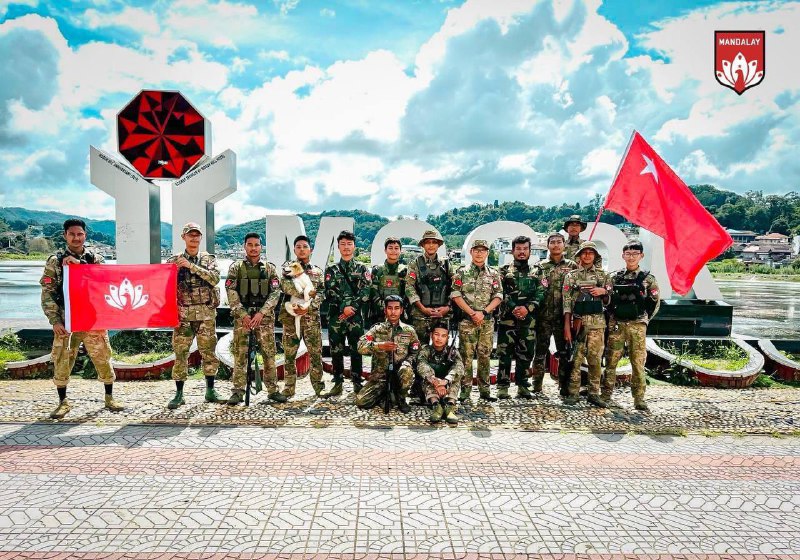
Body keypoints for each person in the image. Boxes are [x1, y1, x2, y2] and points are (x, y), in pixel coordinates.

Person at [40, 218, 123, 419]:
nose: (76, 238)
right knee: (62, 360)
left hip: (93, 319)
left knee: (102, 357)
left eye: (79, 234)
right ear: (65, 236)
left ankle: (109, 398)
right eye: (72, 234)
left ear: (85, 235)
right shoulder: (55, 261)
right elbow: (47, 293)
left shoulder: (96, 259)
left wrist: (80, 266)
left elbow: (104, 283)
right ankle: (63, 402)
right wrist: (55, 321)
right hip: (66, 320)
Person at [224, 232, 286, 405]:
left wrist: (262, 313)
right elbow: (231, 291)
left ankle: (273, 390)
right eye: (250, 244)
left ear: (261, 247)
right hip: (242, 319)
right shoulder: (236, 268)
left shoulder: (270, 268)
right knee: (240, 354)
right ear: (244, 246)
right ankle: (237, 391)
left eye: (257, 245)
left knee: (269, 354)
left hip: (264, 319)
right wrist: (242, 314)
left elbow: (275, 293)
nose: (253, 248)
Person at [166, 222, 221, 409]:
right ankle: (179, 393)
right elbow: (161, 284)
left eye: (197, 235)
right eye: (191, 235)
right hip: (183, 315)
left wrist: (191, 266)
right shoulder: (174, 261)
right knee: (181, 354)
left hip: (205, 313)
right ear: (184, 237)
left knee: (209, 353)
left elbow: (214, 278)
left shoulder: (209, 259)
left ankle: (210, 391)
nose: (194, 238)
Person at [603, 239, 661, 411]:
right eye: (628, 253)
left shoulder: (648, 279)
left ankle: (639, 399)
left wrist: (644, 319)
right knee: (611, 361)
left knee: (638, 363)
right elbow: (607, 300)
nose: (631, 257)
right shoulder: (613, 277)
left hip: (637, 325)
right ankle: (606, 394)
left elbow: (655, 302)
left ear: (641, 255)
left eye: (635, 253)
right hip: (617, 324)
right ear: (623, 255)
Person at [451, 239, 503, 402]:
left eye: (483, 250)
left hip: (486, 322)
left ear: (487, 253)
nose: (479, 253)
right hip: (467, 321)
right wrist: (472, 313)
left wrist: (484, 312)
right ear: (471, 252)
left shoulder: (493, 274)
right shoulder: (461, 272)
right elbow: (455, 294)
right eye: (476, 250)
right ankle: (465, 390)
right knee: (465, 357)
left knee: (485, 355)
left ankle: (485, 390)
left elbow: (498, 295)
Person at [562, 241, 613, 407]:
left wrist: (603, 291)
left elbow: (609, 300)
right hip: (578, 324)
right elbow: (567, 303)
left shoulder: (603, 276)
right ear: (579, 255)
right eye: (584, 252)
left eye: (591, 252)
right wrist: (567, 326)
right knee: (575, 360)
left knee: (595, 360)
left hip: (597, 325)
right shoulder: (571, 276)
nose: (587, 255)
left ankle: (593, 393)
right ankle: (573, 393)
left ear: (595, 256)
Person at [323, 230, 371, 398]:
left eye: (349, 244)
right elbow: (329, 292)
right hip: (336, 316)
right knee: (335, 349)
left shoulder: (362, 268)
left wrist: (353, 307)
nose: (346, 247)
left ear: (354, 246)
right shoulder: (331, 269)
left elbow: (366, 291)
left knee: (356, 349)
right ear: (338, 247)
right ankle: (337, 382)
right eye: (342, 244)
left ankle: (357, 381)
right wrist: (344, 306)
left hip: (355, 317)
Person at [496, 236, 545, 399]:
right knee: (504, 354)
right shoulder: (503, 270)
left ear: (530, 251)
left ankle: (523, 386)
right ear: (512, 251)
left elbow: (541, 291)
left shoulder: (537, 271)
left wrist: (527, 308)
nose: (522, 252)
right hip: (507, 319)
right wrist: (513, 307)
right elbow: (500, 292)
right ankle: (502, 387)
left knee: (526, 353)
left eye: (525, 249)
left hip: (528, 320)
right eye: (518, 249)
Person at [279, 235, 326, 397]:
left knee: (315, 354)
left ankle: (319, 387)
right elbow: (285, 285)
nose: (301, 249)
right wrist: (304, 295)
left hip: (311, 319)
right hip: (291, 318)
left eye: (305, 246)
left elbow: (321, 293)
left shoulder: (317, 271)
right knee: (289, 355)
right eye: (298, 247)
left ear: (310, 250)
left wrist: (308, 306)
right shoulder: (288, 267)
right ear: (294, 250)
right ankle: (289, 388)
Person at [531, 233, 578, 397]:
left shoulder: (572, 266)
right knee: (540, 352)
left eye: (559, 242)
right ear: (547, 245)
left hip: (564, 317)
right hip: (543, 316)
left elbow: (576, 290)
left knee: (564, 352)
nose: (556, 245)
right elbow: (534, 290)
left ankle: (564, 386)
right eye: (552, 242)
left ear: (564, 245)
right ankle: (536, 386)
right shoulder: (540, 266)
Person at [355, 295, 420, 411]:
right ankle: (384, 395)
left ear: (401, 310)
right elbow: (360, 346)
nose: (393, 312)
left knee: (406, 371)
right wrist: (379, 345)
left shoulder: (409, 331)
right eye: (390, 308)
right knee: (362, 401)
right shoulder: (377, 329)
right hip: (380, 375)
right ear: (385, 310)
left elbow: (415, 351)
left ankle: (401, 397)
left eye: (396, 308)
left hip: (400, 375)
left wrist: (407, 362)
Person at [405, 229, 451, 344]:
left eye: (434, 242)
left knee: (441, 348)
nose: (431, 245)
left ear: (438, 245)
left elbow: (454, 288)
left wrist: (447, 308)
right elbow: (409, 287)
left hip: (442, 314)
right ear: (423, 245)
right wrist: (422, 308)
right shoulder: (415, 263)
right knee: (419, 348)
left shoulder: (445, 264)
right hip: (421, 315)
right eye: (428, 242)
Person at [416, 321, 463, 424]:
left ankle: (449, 407)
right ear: (431, 335)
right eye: (436, 334)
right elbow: (421, 365)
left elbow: (459, 367)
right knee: (426, 378)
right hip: (432, 385)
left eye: (443, 336)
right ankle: (436, 406)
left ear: (447, 338)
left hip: (446, 384)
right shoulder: (425, 350)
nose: (439, 338)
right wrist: (435, 381)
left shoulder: (453, 351)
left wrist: (446, 381)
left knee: (455, 378)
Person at [369, 236, 407, 326]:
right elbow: (373, 291)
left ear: (400, 251)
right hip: (379, 314)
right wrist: (385, 308)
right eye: (390, 248)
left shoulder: (405, 271)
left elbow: (407, 292)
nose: (393, 251)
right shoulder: (377, 270)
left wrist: (398, 309)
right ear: (385, 250)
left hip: (400, 314)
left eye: (396, 248)